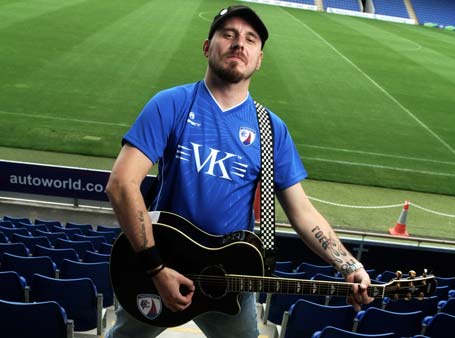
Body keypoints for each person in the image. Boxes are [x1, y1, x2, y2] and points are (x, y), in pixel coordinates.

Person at [105, 5, 373, 338]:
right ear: (207, 47)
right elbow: (121, 185)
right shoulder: (171, 103)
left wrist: (350, 265)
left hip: (228, 276)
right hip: (156, 266)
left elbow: (302, 212)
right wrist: (157, 268)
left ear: (259, 58)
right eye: (228, 35)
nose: (239, 44)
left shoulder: (271, 130)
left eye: (250, 39)